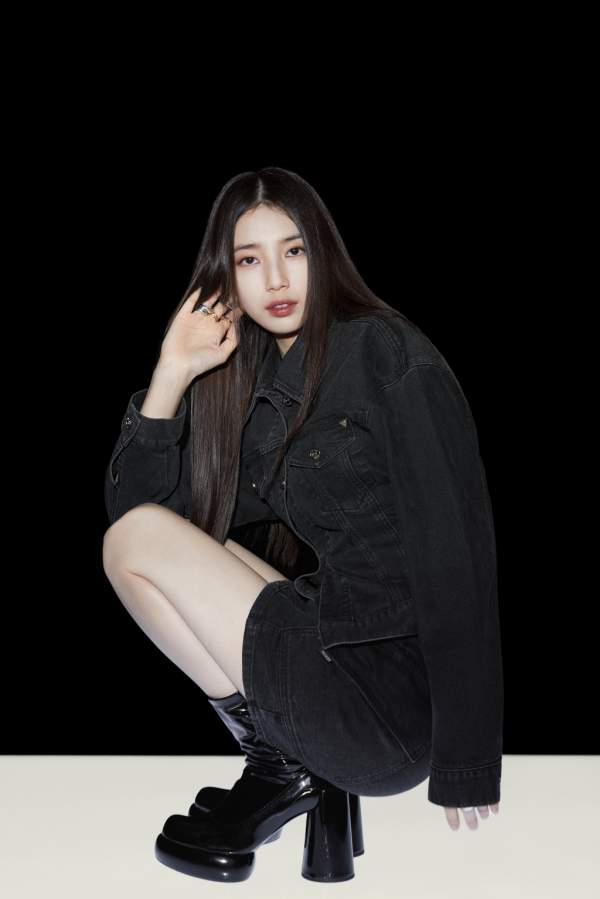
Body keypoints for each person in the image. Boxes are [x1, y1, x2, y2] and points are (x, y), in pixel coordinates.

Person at [102, 167, 503, 881]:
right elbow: (142, 509)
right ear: (226, 277)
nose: (277, 279)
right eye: (249, 260)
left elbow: (456, 555)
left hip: (388, 704)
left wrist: (468, 759)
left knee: (135, 541)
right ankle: (282, 765)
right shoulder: (252, 379)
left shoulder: (385, 353)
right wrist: (172, 370)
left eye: (294, 251)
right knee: (137, 538)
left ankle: (280, 769)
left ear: (324, 253)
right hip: (332, 645)